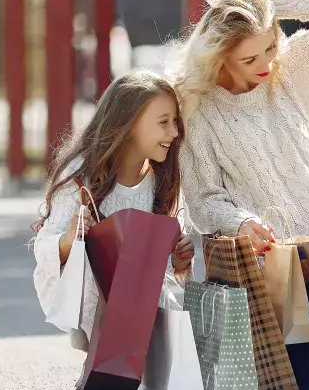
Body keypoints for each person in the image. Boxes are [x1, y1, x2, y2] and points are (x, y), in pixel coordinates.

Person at [174, 0, 309, 250]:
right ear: (220, 56)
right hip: (269, 266)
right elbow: (204, 201)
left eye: (270, 47)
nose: (265, 65)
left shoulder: (296, 67)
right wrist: (239, 222)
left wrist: (262, 6)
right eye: (249, 59)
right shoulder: (197, 110)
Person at [31, 69, 195, 357]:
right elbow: (44, 247)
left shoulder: (162, 181)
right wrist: (70, 238)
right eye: (164, 123)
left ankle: (132, 360)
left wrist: (179, 262)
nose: (174, 132)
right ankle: (105, 352)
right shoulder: (80, 174)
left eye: (175, 122)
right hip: (95, 299)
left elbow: (163, 270)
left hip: (142, 304)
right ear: (130, 124)